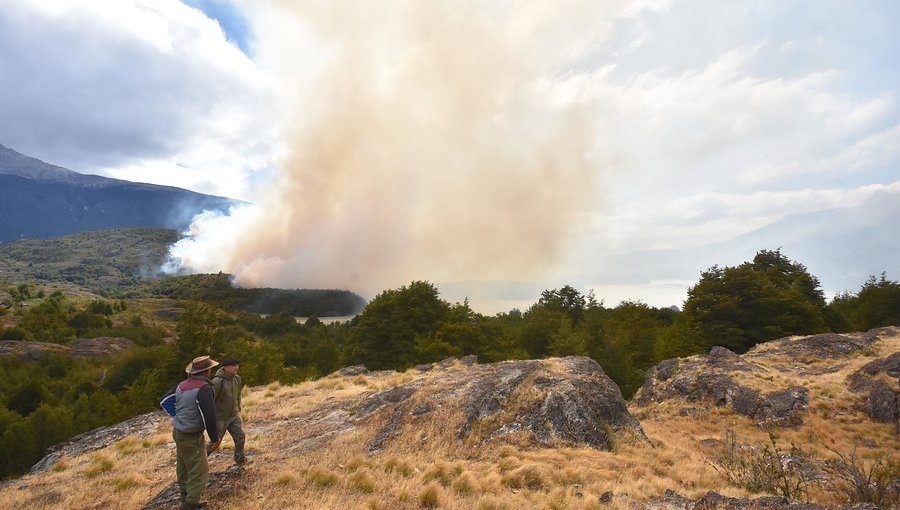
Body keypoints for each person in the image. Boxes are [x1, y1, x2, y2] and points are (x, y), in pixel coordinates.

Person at [171, 355, 221, 510]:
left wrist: (179, 417)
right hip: (191, 434)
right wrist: (215, 438)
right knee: (199, 470)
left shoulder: (182, 385)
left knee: (184, 465)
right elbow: (209, 416)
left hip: (178, 431)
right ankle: (190, 504)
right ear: (207, 370)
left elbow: (165, 401)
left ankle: (185, 496)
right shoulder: (204, 388)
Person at [209, 357, 247, 465]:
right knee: (214, 443)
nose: (236, 367)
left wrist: (238, 408)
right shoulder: (217, 382)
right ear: (225, 367)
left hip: (234, 415)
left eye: (236, 365)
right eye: (233, 365)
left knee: (240, 437)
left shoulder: (237, 379)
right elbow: (210, 400)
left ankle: (240, 459)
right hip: (220, 418)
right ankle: (198, 464)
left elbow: (238, 395)